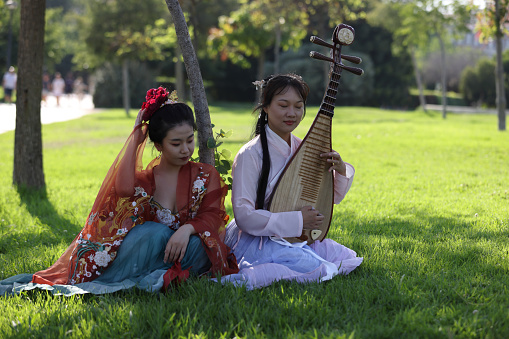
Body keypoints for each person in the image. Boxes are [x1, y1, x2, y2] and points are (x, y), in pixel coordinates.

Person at [1, 87, 238, 296]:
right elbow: (123, 189)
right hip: (152, 250)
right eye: (176, 143)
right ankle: (147, 275)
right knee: (153, 233)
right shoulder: (147, 180)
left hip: (186, 249)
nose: (186, 149)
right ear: (158, 145)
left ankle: (159, 273)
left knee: (199, 248)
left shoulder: (206, 175)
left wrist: (186, 229)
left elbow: (212, 216)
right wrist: (136, 134)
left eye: (189, 140)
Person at [220, 74, 363, 290]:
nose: (292, 113)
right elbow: (244, 216)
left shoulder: (303, 148)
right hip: (259, 238)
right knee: (314, 266)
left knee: (344, 257)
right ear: (265, 107)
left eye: (298, 106)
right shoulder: (250, 154)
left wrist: (340, 170)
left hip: (296, 235)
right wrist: (297, 220)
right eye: (283, 105)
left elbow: (331, 198)